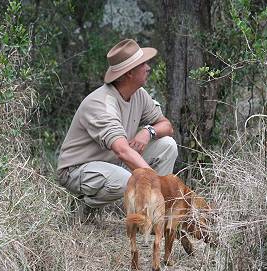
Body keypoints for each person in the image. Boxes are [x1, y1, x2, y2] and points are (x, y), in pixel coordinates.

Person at [56, 39, 178, 217]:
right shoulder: (101, 104)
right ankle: (82, 203)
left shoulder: (139, 94)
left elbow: (166, 126)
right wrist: (159, 184)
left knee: (167, 145)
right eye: (143, 64)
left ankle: (153, 216)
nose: (148, 67)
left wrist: (148, 131)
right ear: (129, 73)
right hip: (77, 170)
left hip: (113, 163)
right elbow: (122, 151)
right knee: (128, 180)